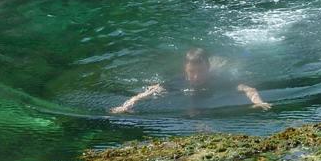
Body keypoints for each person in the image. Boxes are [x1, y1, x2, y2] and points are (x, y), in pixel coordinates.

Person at [110, 47, 271, 114]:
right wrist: (126, 105)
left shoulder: (221, 79)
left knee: (235, 63)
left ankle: (234, 55)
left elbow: (248, 89)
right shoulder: (178, 81)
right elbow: (147, 92)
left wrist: (258, 102)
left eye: (200, 71)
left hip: (218, 68)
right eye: (191, 72)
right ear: (185, 70)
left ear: (206, 68)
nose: (195, 77)